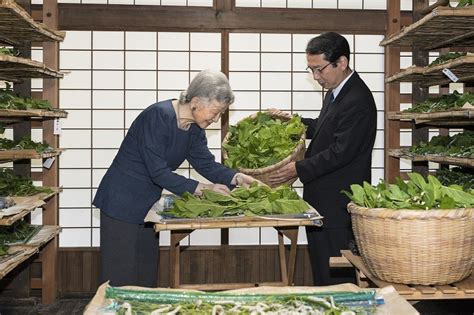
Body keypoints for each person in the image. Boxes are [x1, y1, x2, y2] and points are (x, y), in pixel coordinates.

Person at [93, 69, 258, 287]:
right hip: (121, 201)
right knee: (120, 277)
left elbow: (206, 164)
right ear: (196, 101)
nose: (216, 118)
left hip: (147, 205)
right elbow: (158, 172)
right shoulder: (158, 116)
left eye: (221, 113)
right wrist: (202, 188)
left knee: (145, 275)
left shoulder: (194, 129)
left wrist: (237, 177)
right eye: (215, 111)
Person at [268, 32, 377, 285]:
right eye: (311, 70)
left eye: (320, 70)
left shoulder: (357, 98)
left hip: (339, 202)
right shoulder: (336, 91)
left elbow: (341, 151)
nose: (316, 77)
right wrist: (292, 122)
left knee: (337, 275)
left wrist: (297, 168)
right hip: (322, 199)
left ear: (342, 62)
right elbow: (324, 128)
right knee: (321, 267)